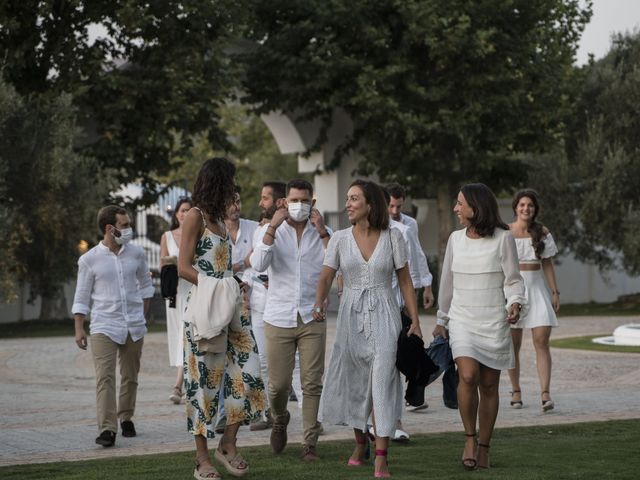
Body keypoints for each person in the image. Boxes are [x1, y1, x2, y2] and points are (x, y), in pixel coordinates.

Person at [315, 179, 422, 478]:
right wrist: (318, 303)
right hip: (351, 316)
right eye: (348, 198)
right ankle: (360, 442)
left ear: (370, 204)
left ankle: (381, 456)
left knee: (383, 382)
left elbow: (405, 280)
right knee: (356, 383)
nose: (347, 204)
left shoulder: (393, 237)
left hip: (385, 314)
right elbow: (325, 277)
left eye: (354, 199)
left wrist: (415, 320)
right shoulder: (339, 239)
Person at [178, 157, 265, 479]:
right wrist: (221, 285)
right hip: (204, 312)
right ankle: (202, 459)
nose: (234, 186)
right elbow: (183, 267)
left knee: (251, 376)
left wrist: (233, 282)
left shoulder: (219, 218)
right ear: (218, 181)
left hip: (233, 312)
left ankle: (228, 443)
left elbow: (223, 266)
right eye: (231, 180)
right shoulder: (195, 217)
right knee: (204, 383)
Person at [433, 183, 526, 470]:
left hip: (493, 319)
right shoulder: (455, 239)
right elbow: (446, 283)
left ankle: (484, 447)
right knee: (469, 375)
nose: (455, 208)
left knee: (489, 384)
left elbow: (512, 279)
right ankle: (469, 438)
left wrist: (515, 303)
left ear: (476, 207)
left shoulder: (503, 238)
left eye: (460, 203)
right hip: (462, 318)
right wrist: (441, 319)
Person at [250, 178, 330, 462]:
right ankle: (280, 417)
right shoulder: (269, 230)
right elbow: (258, 265)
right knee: (278, 385)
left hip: (312, 317)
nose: (299, 206)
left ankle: (310, 443)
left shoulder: (321, 233)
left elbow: (335, 266)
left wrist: (321, 232)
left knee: (311, 383)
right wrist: (273, 225)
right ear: (284, 202)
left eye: (304, 200)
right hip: (278, 317)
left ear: (313, 203)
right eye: (294, 200)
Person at [73, 205, 155, 448]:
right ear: (110, 229)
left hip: (134, 326)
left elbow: (146, 286)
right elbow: (81, 296)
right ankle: (107, 429)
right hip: (103, 326)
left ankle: (126, 417)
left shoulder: (137, 253)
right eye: (125, 225)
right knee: (105, 378)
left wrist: (142, 313)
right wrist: (79, 327)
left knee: (130, 376)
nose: (129, 229)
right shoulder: (89, 260)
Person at [507, 189, 560, 412]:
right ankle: (516, 390)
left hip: (537, 289)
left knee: (541, 341)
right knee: (513, 345)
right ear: (516, 207)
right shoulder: (506, 231)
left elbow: (547, 263)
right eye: (522, 205)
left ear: (535, 209)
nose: (526, 209)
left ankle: (545, 393)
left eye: (530, 205)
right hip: (513, 289)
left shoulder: (542, 232)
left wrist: (555, 292)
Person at [214, 187, 259, 433]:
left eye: (238, 201)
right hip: (222, 300)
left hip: (249, 299)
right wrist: (243, 263)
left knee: (246, 359)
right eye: (230, 202)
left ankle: (249, 409)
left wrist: (241, 268)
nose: (236, 207)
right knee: (223, 358)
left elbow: (258, 263)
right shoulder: (214, 231)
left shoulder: (253, 229)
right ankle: (224, 412)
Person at [242, 181, 286, 431]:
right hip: (259, 304)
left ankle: (315, 418)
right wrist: (247, 286)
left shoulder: (293, 230)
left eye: (266, 198)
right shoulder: (261, 231)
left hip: (282, 304)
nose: (260, 203)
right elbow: (253, 264)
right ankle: (266, 413)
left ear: (280, 202)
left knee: (297, 365)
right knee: (261, 362)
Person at [160, 196, 192, 405]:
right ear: (176, 214)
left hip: (193, 290)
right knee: (179, 336)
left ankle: (178, 385)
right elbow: (163, 263)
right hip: (175, 292)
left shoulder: (197, 235)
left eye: (189, 210)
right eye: (182, 210)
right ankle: (187, 382)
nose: (185, 214)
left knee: (187, 335)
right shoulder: (167, 236)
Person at [385, 183, 435, 310]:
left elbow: (417, 252)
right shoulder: (378, 225)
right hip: (387, 286)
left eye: (399, 206)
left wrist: (427, 287)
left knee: (410, 325)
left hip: (411, 283)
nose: (395, 211)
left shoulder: (411, 224)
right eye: (391, 206)